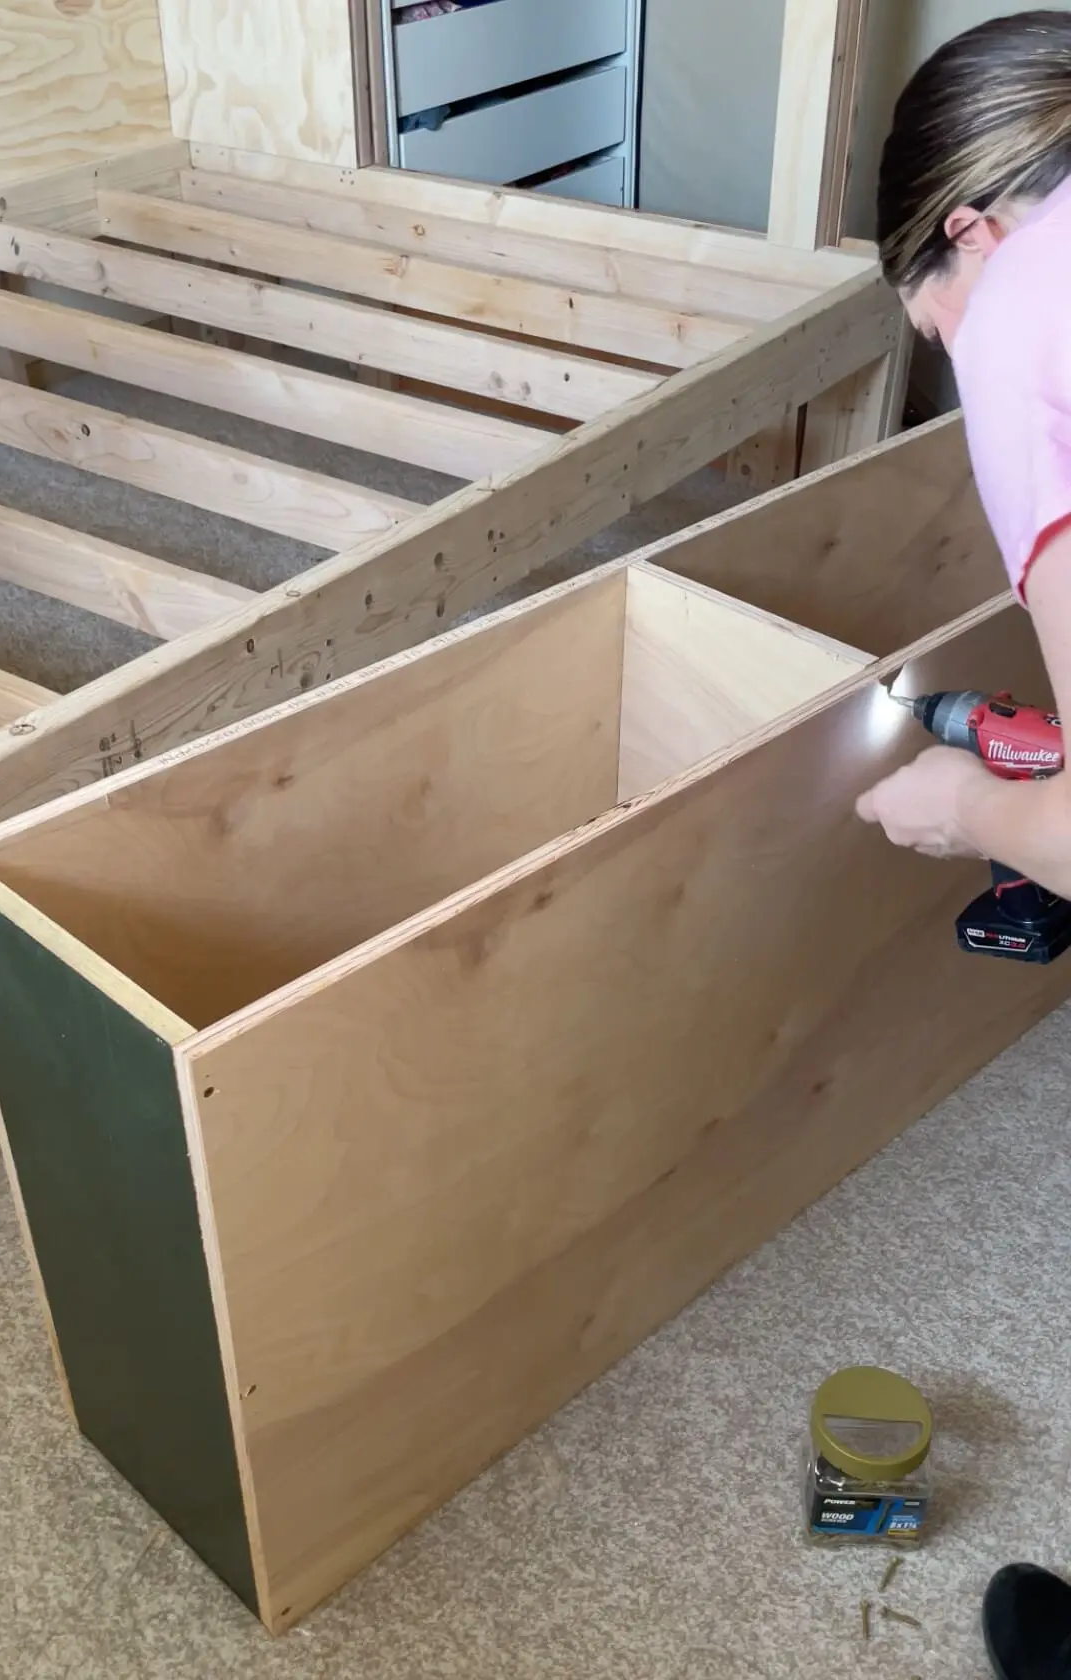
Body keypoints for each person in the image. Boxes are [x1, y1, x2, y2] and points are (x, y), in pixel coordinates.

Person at [863, 12, 1071, 1678]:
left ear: (972, 235)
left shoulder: (1025, 331)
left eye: (925, 322)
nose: (948, 358)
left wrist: (980, 815)